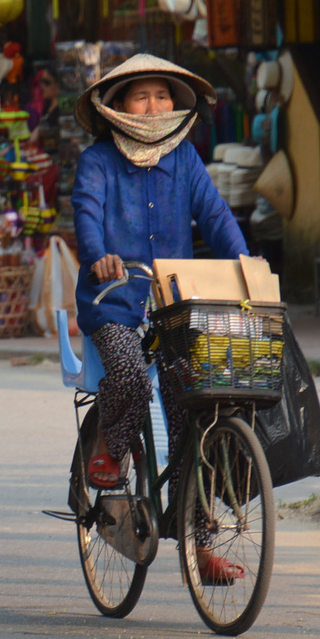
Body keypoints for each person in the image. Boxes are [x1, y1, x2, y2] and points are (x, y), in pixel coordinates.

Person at [71, 54, 248, 584]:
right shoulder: (97, 161)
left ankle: (200, 545)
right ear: (118, 107)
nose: (154, 105)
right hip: (115, 303)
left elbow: (215, 215)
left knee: (196, 412)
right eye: (141, 96)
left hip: (175, 308)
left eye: (162, 95)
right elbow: (86, 212)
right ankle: (109, 445)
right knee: (126, 373)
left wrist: (244, 262)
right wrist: (99, 255)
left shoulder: (187, 160)